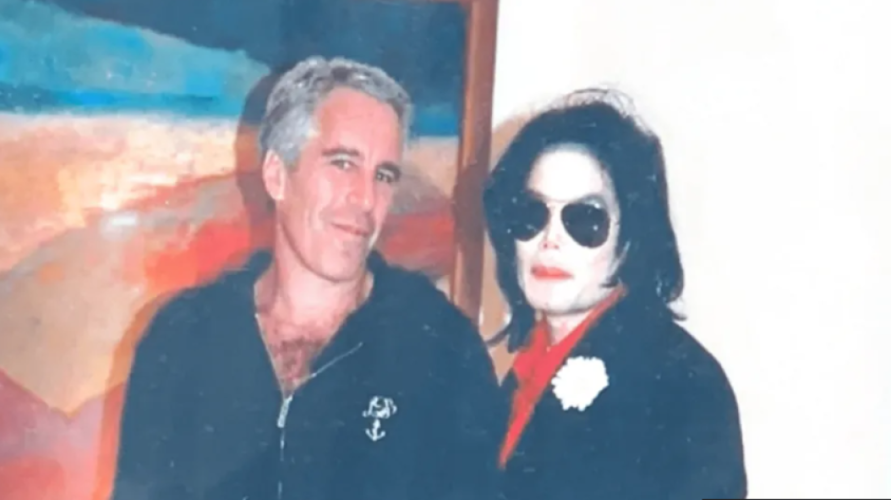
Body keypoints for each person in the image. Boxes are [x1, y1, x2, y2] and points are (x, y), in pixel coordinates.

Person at [111, 56, 506, 500]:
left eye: (383, 175)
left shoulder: (441, 346)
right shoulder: (183, 339)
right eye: (343, 164)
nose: (365, 198)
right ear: (277, 176)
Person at [483, 89, 748, 500]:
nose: (550, 239)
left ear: (631, 240)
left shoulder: (682, 383)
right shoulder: (522, 373)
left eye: (584, 219)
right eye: (531, 214)